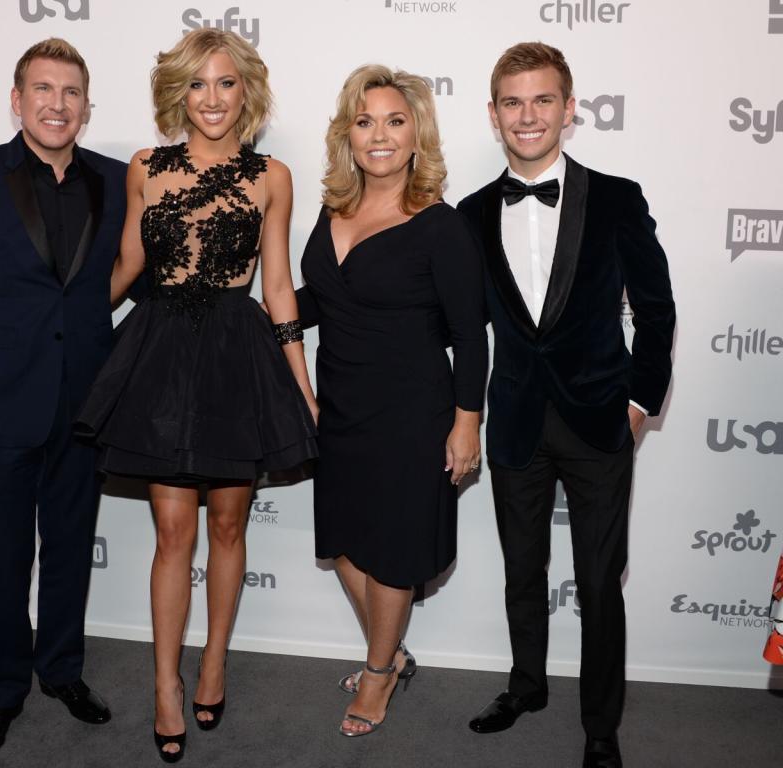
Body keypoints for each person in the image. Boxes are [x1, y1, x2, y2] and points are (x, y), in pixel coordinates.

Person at [74, 29, 318, 763]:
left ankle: (213, 661)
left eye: (225, 83)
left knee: (229, 530)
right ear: (179, 93)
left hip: (235, 357)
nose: (211, 99)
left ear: (248, 91)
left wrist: (301, 385)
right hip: (161, 351)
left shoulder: (272, 175)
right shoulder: (146, 167)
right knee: (173, 534)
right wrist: (62, 332)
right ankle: (165, 686)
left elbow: (277, 285)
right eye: (197, 85)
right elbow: (125, 262)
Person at [457, 42, 676, 768]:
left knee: (597, 582)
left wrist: (641, 402)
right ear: (493, 115)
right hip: (516, 420)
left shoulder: (616, 197)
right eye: (513, 103)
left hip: (599, 420)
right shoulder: (471, 212)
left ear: (569, 108)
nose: (528, 115)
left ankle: (601, 725)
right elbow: (454, 324)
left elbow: (656, 307)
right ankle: (526, 687)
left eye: (542, 100)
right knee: (522, 570)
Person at [0, 38, 127, 760]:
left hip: (83, 406)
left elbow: (119, 280)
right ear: (18, 100)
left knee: (70, 552)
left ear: (86, 104)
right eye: (43, 90)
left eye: (71, 92)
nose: (57, 104)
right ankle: (3, 689)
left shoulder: (115, 179)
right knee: (5, 561)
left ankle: (62, 672)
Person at [295, 65, 487, 737]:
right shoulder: (334, 210)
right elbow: (325, 298)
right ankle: (393, 650)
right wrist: (269, 314)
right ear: (348, 132)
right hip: (338, 407)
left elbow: (470, 334)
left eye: (395, 121)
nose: (380, 135)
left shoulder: (441, 226)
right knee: (345, 544)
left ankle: (378, 676)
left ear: (417, 135)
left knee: (395, 552)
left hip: (412, 412)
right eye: (366, 120)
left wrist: (468, 424)